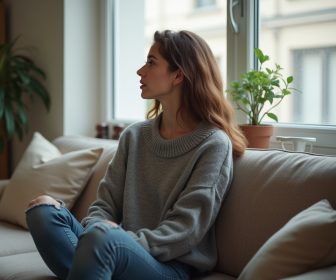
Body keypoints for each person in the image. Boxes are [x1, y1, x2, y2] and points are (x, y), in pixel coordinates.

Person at [24, 30, 247, 280]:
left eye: (151, 63)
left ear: (179, 75)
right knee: (42, 208)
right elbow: (104, 205)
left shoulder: (213, 144)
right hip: (117, 250)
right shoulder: (134, 136)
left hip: (171, 266)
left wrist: (112, 242)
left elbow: (186, 228)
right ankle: (94, 266)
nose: (141, 71)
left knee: (102, 239)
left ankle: (94, 263)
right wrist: (95, 236)